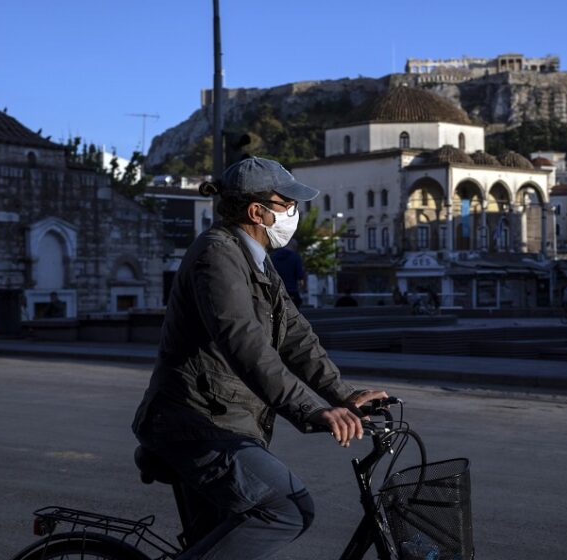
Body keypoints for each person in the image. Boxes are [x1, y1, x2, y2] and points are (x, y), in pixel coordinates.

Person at [131, 156, 387, 560]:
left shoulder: (256, 258)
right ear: (257, 211)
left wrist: (343, 395)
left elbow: (296, 336)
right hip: (196, 424)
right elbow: (244, 342)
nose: (293, 213)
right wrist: (311, 410)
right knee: (288, 509)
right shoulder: (216, 257)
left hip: (224, 421)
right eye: (287, 204)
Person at [270, 238, 306, 308]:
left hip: (276, 291)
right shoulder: (295, 257)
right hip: (291, 290)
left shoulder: (273, 256)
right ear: (294, 246)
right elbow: (300, 275)